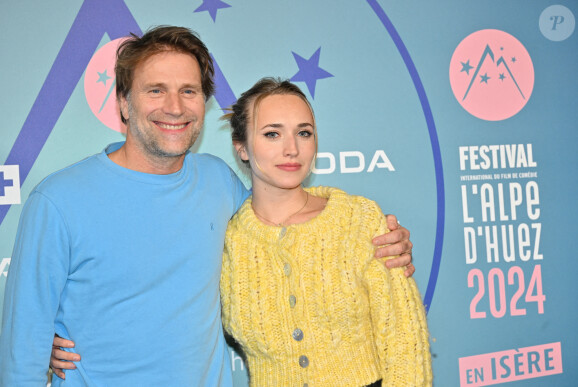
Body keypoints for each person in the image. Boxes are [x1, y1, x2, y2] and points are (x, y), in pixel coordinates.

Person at [0, 26, 413, 386]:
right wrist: (42, 350)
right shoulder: (58, 201)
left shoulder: (219, 182)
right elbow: (22, 354)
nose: (175, 107)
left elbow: (288, 219)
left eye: (189, 91)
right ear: (124, 103)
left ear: (203, 102)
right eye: (155, 90)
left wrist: (374, 235)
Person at [219, 78, 432, 385]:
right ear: (242, 148)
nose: (292, 149)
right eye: (272, 134)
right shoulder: (227, 241)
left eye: (303, 133)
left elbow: (404, 340)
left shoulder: (359, 220)